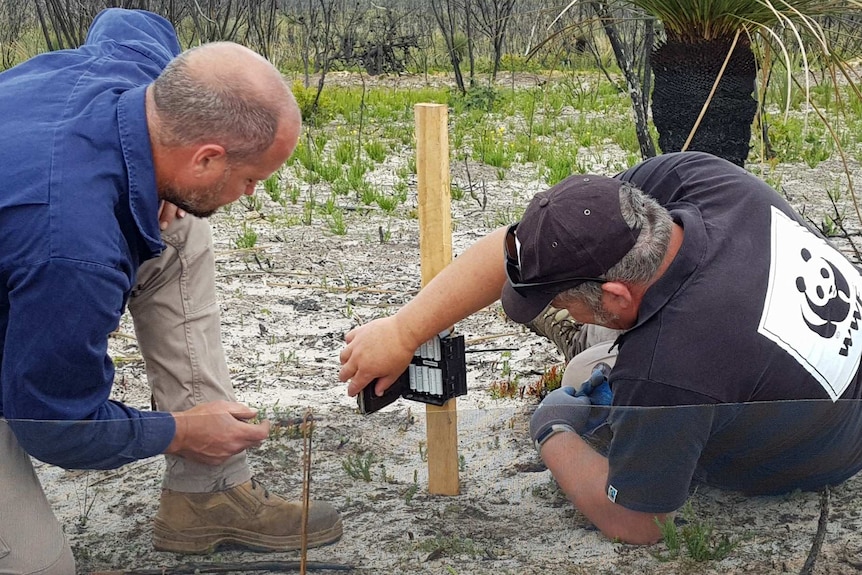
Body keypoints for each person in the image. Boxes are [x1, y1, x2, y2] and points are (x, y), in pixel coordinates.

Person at [339, 150, 862, 545]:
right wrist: (402, 331)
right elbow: (531, 242)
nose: (567, 305)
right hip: (812, 374)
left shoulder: (668, 369)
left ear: (614, 293)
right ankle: (587, 345)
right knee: (599, 362)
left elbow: (639, 523)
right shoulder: (695, 180)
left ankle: (580, 358)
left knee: (579, 377)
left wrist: (553, 428)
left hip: (811, 457)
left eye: (567, 301)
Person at [0, 8, 341, 573]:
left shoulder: (128, 75)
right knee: (40, 567)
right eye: (252, 179)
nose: (252, 194)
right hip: (40, 252)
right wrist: (177, 432)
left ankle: (206, 495)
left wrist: (150, 171)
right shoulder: (74, 252)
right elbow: (54, 425)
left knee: (180, 228)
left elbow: (129, 21)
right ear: (206, 157)